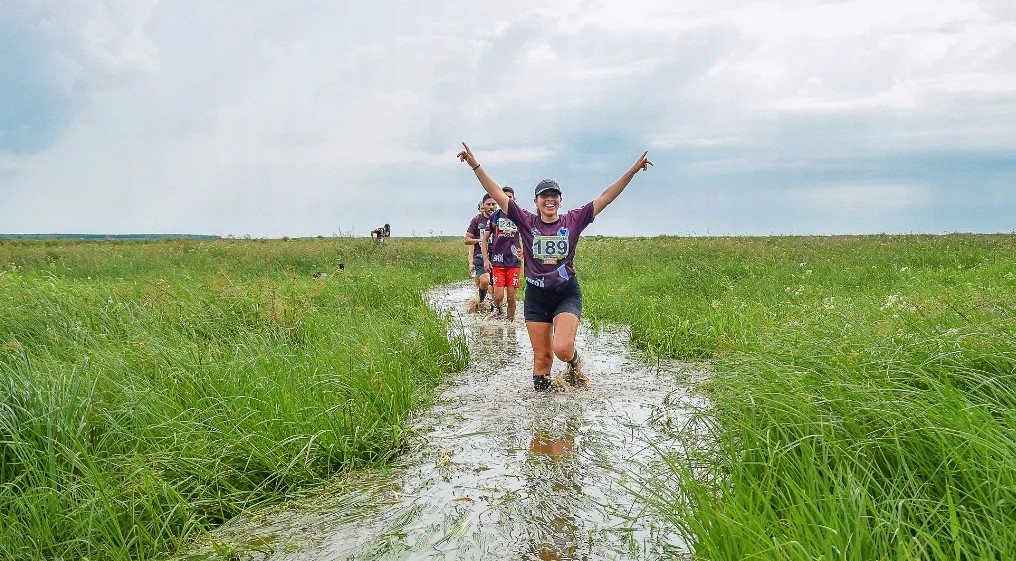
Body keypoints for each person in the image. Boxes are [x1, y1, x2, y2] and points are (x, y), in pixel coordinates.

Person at [458, 142, 652, 391]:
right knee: (542, 360)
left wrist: (633, 171)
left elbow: (606, 196)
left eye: (554, 196)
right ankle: (541, 418)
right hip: (537, 296)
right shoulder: (525, 220)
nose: (549, 200)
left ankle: (574, 363)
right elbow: (495, 192)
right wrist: (475, 165)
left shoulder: (574, 220)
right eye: (544, 196)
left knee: (561, 348)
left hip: (565, 293)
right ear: (536, 201)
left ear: (560, 201)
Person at [479, 186, 523, 321]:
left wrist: (525, 251)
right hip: (498, 261)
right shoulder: (495, 216)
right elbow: (484, 239)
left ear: (514, 199)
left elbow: (528, 235)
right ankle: (497, 310)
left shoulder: (520, 215)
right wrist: (486, 260)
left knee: (511, 296)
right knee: (498, 296)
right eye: (503, 197)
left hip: (514, 262)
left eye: (509, 197)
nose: (507, 200)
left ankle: (510, 324)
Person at [464, 194, 497, 308]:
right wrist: (480, 240)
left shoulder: (500, 218)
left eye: (494, 204)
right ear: (483, 206)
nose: (491, 207)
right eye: (488, 204)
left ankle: (496, 309)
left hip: (497, 257)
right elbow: (467, 240)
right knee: (484, 280)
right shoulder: (477, 220)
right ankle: (481, 302)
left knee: (495, 288)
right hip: (480, 257)